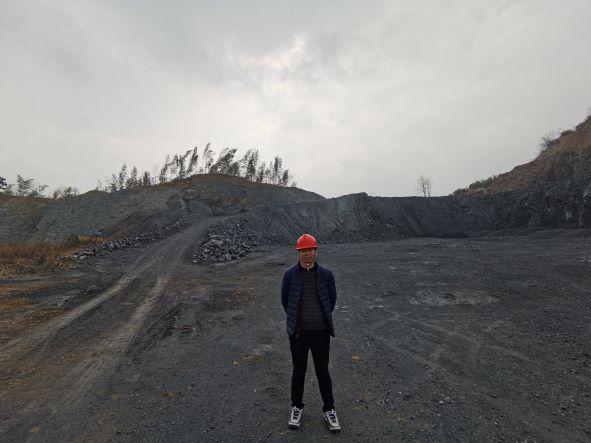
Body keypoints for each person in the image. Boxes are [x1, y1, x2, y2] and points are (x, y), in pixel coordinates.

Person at [281, 233, 341, 433]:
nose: (307, 253)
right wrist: (297, 321)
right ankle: (296, 407)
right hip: (298, 334)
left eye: (310, 250)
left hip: (321, 333)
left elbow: (331, 300)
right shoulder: (290, 276)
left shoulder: (326, 275)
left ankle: (329, 410)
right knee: (298, 372)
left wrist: (319, 319)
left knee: (323, 372)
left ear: (316, 252)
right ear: (298, 253)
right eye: (303, 250)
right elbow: (285, 301)